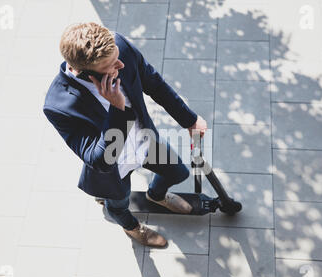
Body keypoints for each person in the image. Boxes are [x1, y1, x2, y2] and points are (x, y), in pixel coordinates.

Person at [43, 22, 207, 248]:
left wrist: (190, 120)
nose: (121, 64)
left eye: (117, 58)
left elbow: (154, 84)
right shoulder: (59, 106)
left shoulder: (119, 47)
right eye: (111, 66)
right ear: (84, 73)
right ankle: (132, 228)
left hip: (146, 141)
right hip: (113, 169)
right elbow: (100, 160)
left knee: (177, 172)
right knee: (118, 205)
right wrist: (117, 110)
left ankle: (156, 196)